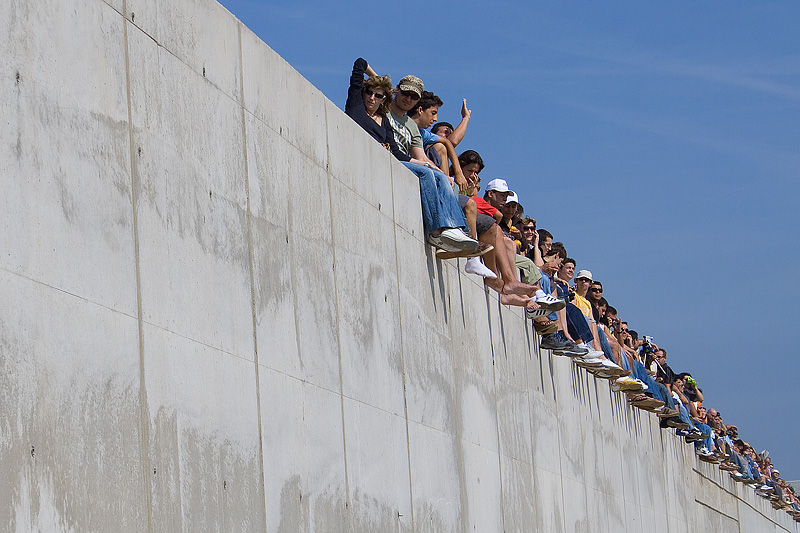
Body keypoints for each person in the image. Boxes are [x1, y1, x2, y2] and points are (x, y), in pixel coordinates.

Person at [383, 73, 479, 253]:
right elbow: (375, 85)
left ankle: (456, 230)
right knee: (428, 173)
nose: (408, 99)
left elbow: (421, 156)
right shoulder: (384, 108)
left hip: (408, 161)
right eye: (405, 93)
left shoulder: (411, 126)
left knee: (440, 176)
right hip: (391, 158)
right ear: (397, 91)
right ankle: (436, 232)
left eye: (414, 97)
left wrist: (443, 173)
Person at [345, 58, 402, 154]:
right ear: (364, 92)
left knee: (426, 169)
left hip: (379, 160)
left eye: (378, 96)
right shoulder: (355, 105)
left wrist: (424, 163)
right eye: (369, 92)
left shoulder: (384, 121)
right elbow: (360, 63)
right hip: (355, 152)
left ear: (383, 100)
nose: (372, 98)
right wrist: (380, 80)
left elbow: (396, 153)